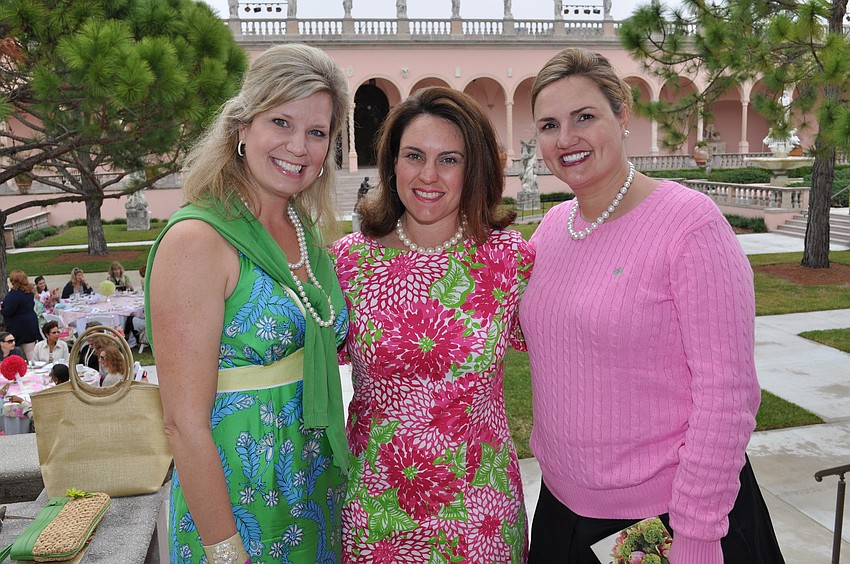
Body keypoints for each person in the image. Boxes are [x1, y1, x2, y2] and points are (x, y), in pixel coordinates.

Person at [519, 47, 784, 563]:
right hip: (561, 510)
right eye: (549, 124)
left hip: (659, 523)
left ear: (623, 116)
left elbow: (727, 396)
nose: (566, 139)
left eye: (585, 117)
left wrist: (698, 535)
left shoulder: (690, 227)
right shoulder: (551, 230)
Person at [146, 43, 349, 564]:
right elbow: (182, 423)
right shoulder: (199, 240)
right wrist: (224, 548)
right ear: (242, 127)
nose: (299, 147)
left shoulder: (304, 229)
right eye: (281, 122)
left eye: (317, 132)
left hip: (314, 491)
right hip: (240, 506)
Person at [331, 86, 534, 563]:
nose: (428, 175)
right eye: (413, 156)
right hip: (377, 509)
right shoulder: (348, 263)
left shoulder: (509, 261)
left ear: (474, 167)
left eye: (449, 159)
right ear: (391, 164)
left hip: (479, 510)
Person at [1, 270, 41, 358]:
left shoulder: (14, 295)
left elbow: (8, 311)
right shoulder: (29, 293)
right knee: (30, 351)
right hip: (30, 324)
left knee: (13, 352)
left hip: (18, 327)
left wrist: (2, 309)